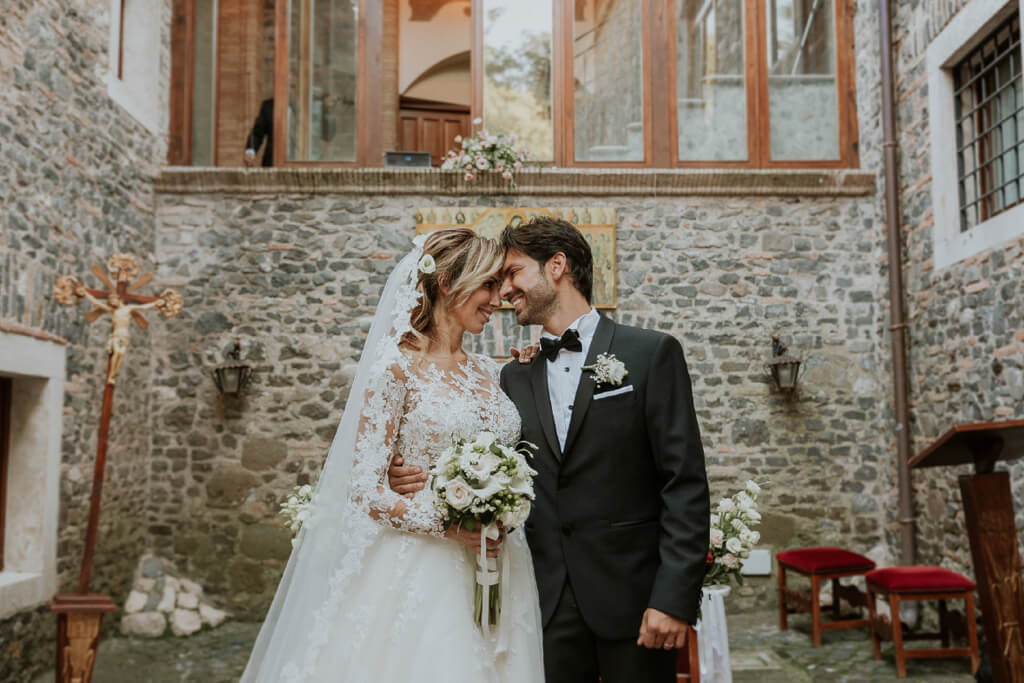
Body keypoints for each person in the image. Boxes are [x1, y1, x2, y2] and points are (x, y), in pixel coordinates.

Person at [390, 216, 710, 683]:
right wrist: (408, 475)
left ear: (557, 266)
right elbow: (474, 446)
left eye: (513, 273)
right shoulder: (511, 378)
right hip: (540, 606)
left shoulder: (651, 354)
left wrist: (673, 598)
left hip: (635, 603)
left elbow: (684, 484)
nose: (504, 292)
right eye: (497, 281)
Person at [241, 228, 544, 682]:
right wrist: (451, 525)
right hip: (425, 567)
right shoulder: (395, 368)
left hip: (501, 561)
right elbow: (365, 490)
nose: (497, 298)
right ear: (447, 283)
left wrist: (538, 363)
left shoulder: (493, 371)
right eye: (488, 284)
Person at [244, 98, 274, 167]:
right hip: (271, 163)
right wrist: (250, 151)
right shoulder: (269, 106)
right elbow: (257, 133)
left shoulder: (299, 105)